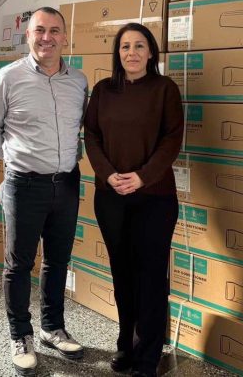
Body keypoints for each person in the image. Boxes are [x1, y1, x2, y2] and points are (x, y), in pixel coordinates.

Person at [0, 7, 88, 376]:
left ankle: (52, 328)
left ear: (65, 37)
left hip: (67, 183)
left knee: (58, 261)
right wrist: (20, 160)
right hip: (24, 184)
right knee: (19, 265)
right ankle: (20, 335)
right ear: (28, 36)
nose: (47, 38)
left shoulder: (79, 82)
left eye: (55, 31)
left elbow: (79, 129)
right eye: (40, 30)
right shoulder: (6, 79)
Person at [83, 23, 184, 377]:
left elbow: (172, 139)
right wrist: (108, 174)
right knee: (122, 274)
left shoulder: (165, 89)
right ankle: (126, 343)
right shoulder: (103, 90)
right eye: (125, 46)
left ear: (151, 52)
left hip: (155, 197)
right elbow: (91, 136)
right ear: (118, 53)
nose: (132, 53)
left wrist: (141, 176)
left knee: (151, 277)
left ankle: (148, 356)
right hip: (110, 196)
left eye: (139, 46)